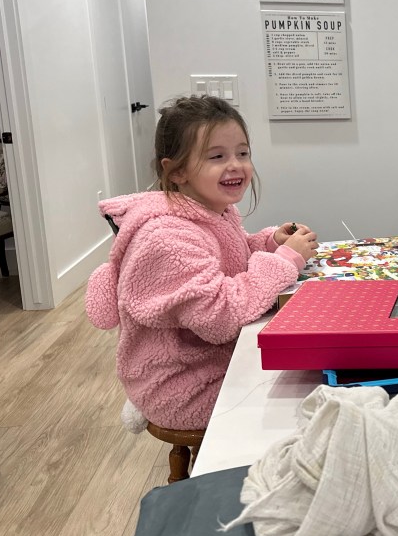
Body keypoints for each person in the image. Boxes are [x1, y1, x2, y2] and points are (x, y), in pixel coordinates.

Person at [85, 95, 319, 431]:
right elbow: (220, 317)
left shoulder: (211, 209)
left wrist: (271, 244)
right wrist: (284, 260)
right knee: (308, 393)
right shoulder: (165, 238)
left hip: (207, 360)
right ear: (177, 171)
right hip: (185, 386)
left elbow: (230, 258)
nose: (235, 165)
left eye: (242, 153)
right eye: (217, 156)